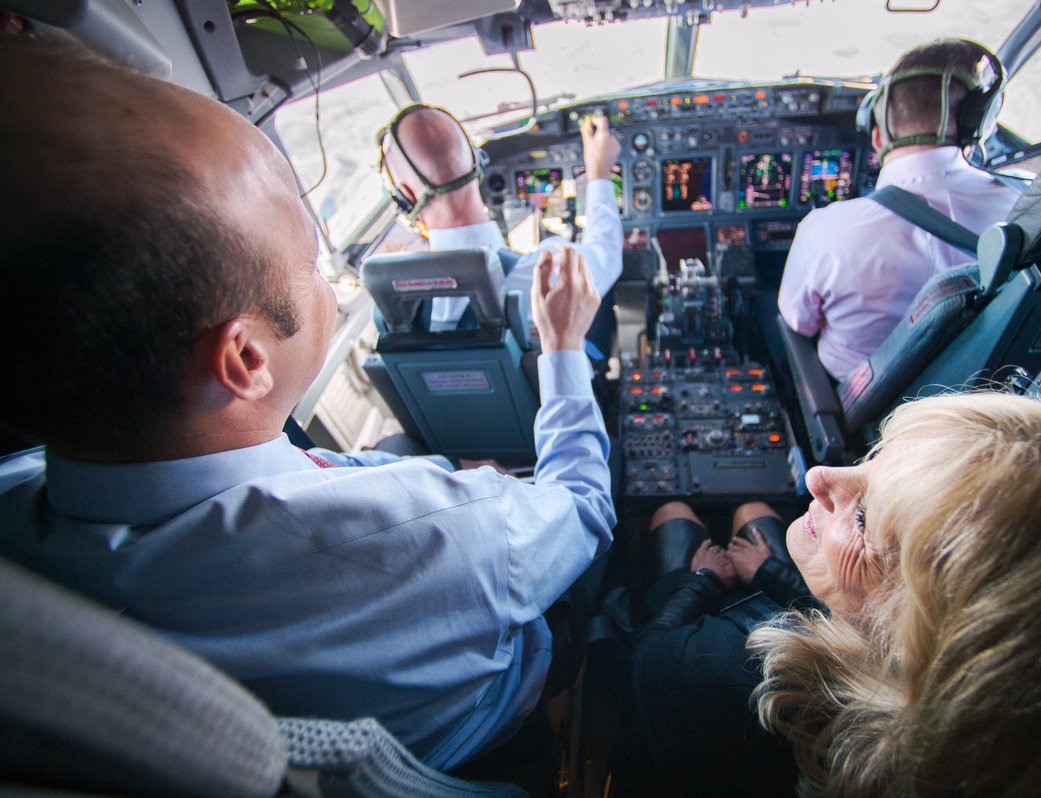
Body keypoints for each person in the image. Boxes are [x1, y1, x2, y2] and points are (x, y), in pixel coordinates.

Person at [0, 41, 615, 772]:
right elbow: (583, 508)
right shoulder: (434, 529)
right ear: (246, 360)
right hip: (491, 730)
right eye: (312, 261)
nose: (329, 275)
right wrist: (563, 351)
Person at [750, 393, 1041, 795]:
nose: (819, 475)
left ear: (931, 644)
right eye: (873, 456)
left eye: (864, 517)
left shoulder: (738, 696)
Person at [777, 38, 1020, 382]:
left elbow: (799, 321)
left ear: (877, 137)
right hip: (988, 392)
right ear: (978, 123)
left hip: (866, 401)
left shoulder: (826, 230)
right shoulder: (1029, 205)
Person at [378, 103, 623, 346]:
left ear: (405, 197)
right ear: (476, 162)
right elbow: (607, 253)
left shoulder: (397, 304)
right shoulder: (548, 272)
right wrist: (599, 173)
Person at [629, 501, 824, 798]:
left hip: (689, 617)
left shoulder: (712, 670)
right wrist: (765, 570)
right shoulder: (856, 646)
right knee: (751, 512)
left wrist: (705, 579)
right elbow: (827, 611)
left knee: (671, 511)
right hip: (776, 601)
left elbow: (649, 651)